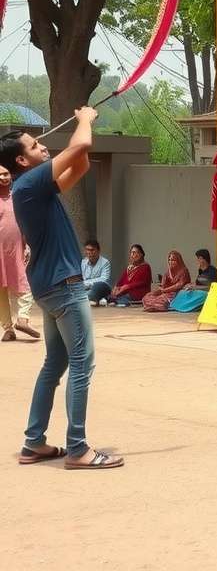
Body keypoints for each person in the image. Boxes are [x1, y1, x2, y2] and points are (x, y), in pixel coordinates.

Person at [1, 110, 123, 469]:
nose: (43, 147)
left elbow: (81, 164)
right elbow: (81, 143)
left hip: (50, 286)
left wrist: (83, 128)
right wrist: (84, 118)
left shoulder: (32, 187)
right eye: (35, 145)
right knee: (82, 363)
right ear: (22, 160)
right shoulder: (28, 184)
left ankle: (34, 442)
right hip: (64, 287)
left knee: (55, 363)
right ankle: (78, 448)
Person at [0, 164, 40, 341]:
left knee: (24, 283)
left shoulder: (18, 196)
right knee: (0, 291)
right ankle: (8, 329)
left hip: (17, 248)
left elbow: (25, 221)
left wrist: (28, 245)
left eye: (6, 173)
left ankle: (23, 318)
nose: (3, 177)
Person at [169, 248, 217, 313]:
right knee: (182, 292)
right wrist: (190, 285)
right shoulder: (200, 270)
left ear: (204, 259)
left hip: (206, 293)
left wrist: (194, 287)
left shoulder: (212, 270)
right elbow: (198, 283)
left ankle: (185, 308)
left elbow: (210, 287)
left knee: (198, 295)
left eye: (199, 258)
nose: (197, 260)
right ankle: (175, 306)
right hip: (197, 290)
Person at [81, 239, 112, 306]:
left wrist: (86, 283)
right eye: (87, 250)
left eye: (92, 250)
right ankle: (96, 299)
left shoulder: (105, 262)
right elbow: (81, 279)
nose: (89, 253)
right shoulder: (83, 262)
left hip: (101, 288)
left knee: (98, 286)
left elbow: (104, 280)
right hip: (86, 289)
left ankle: (88, 299)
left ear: (98, 251)